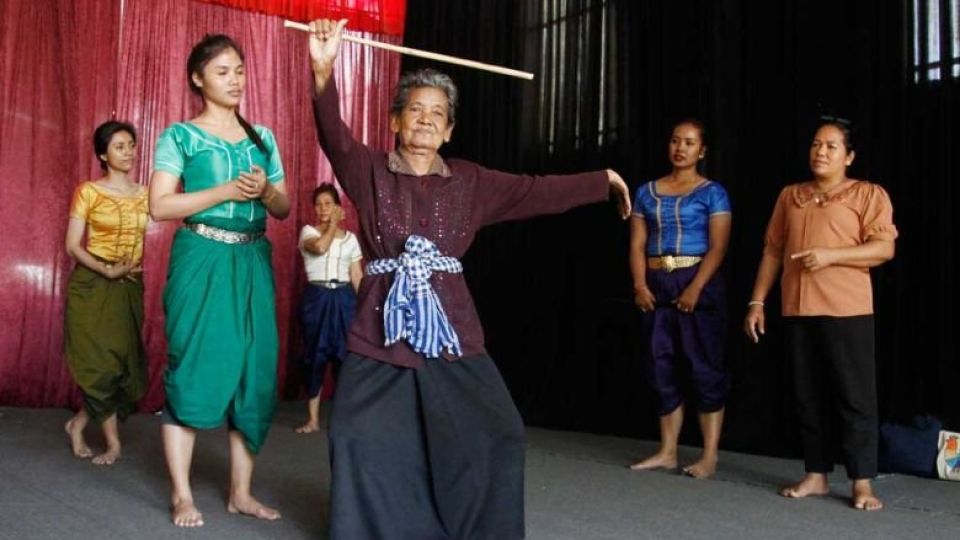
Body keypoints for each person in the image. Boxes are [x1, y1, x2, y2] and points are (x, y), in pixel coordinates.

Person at [307, 18, 631, 540]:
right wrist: (323, 70)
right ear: (395, 120)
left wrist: (602, 182)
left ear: (451, 129)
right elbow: (333, 135)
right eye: (416, 110)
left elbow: (536, 190)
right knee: (353, 434)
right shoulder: (367, 170)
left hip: (451, 330)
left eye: (439, 114)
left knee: (499, 433)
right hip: (379, 330)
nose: (427, 120)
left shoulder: (471, 182)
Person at [149, 34, 290, 527]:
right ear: (198, 79)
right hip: (202, 255)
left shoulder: (263, 138)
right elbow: (160, 205)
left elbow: (284, 208)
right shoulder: (181, 136)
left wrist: (267, 190)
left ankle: (241, 493)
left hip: (252, 258)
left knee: (256, 371)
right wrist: (226, 189)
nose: (235, 80)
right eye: (223, 71)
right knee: (193, 366)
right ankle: (182, 495)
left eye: (240, 70)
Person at [744, 119, 897, 511]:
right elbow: (773, 251)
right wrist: (757, 302)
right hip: (797, 308)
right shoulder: (790, 196)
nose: (821, 152)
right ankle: (816, 474)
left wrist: (833, 256)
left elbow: (883, 249)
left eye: (831, 146)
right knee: (807, 396)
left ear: (849, 156)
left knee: (855, 398)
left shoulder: (867, 194)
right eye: (816, 144)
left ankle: (862, 482)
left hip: (847, 311)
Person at [628, 120, 732, 479]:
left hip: (696, 277)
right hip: (657, 279)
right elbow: (637, 244)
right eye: (675, 140)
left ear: (701, 150)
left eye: (689, 142)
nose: (680, 148)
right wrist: (640, 284)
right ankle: (668, 451)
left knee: (703, 364)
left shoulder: (713, 192)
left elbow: (719, 247)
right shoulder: (646, 192)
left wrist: (696, 287)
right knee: (660, 363)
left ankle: (709, 456)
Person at [63, 120, 148, 466]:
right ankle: (113, 444)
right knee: (100, 364)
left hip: (129, 287)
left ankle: (78, 423)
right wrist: (107, 269)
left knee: (122, 367)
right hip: (93, 284)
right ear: (102, 153)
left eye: (130, 145)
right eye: (118, 146)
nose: (127, 152)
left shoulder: (145, 194)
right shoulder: (88, 191)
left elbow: (176, 209)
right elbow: (72, 246)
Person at [295, 183, 362, 434]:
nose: (323, 208)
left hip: (344, 299)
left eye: (328, 203)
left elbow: (356, 275)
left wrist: (367, 307)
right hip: (317, 297)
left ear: (337, 206)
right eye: (319, 204)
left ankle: (346, 419)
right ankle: (312, 420)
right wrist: (333, 224)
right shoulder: (308, 232)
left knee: (345, 356)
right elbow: (321, 247)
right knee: (315, 354)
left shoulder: (351, 239)